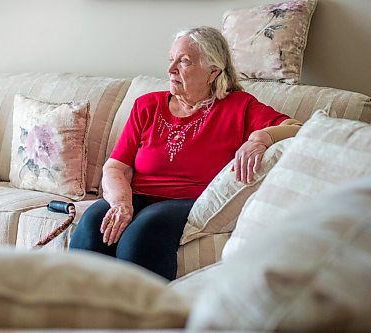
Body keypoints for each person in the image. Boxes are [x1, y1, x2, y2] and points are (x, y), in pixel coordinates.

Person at [69, 26, 302, 280]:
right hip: (137, 195)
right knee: (94, 223)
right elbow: (116, 167)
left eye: (184, 62)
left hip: (189, 201)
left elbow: (298, 128)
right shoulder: (147, 105)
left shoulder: (239, 107)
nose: (170, 70)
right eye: (171, 60)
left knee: (142, 233)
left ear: (213, 71)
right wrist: (121, 203)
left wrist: (261, 137)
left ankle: (148, 316)